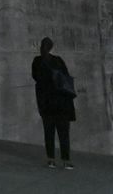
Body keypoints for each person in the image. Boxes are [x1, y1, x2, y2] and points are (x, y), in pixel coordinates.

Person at [31, 36, 76, 168]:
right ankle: (58, 159)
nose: (42, 48)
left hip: (53, 103)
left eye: (44, 46)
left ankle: (59, 159)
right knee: (56, 133)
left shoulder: (47, 61)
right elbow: (37, 76)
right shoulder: (47, 61)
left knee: (56, 133)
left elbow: (36, 77)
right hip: (54, 103)